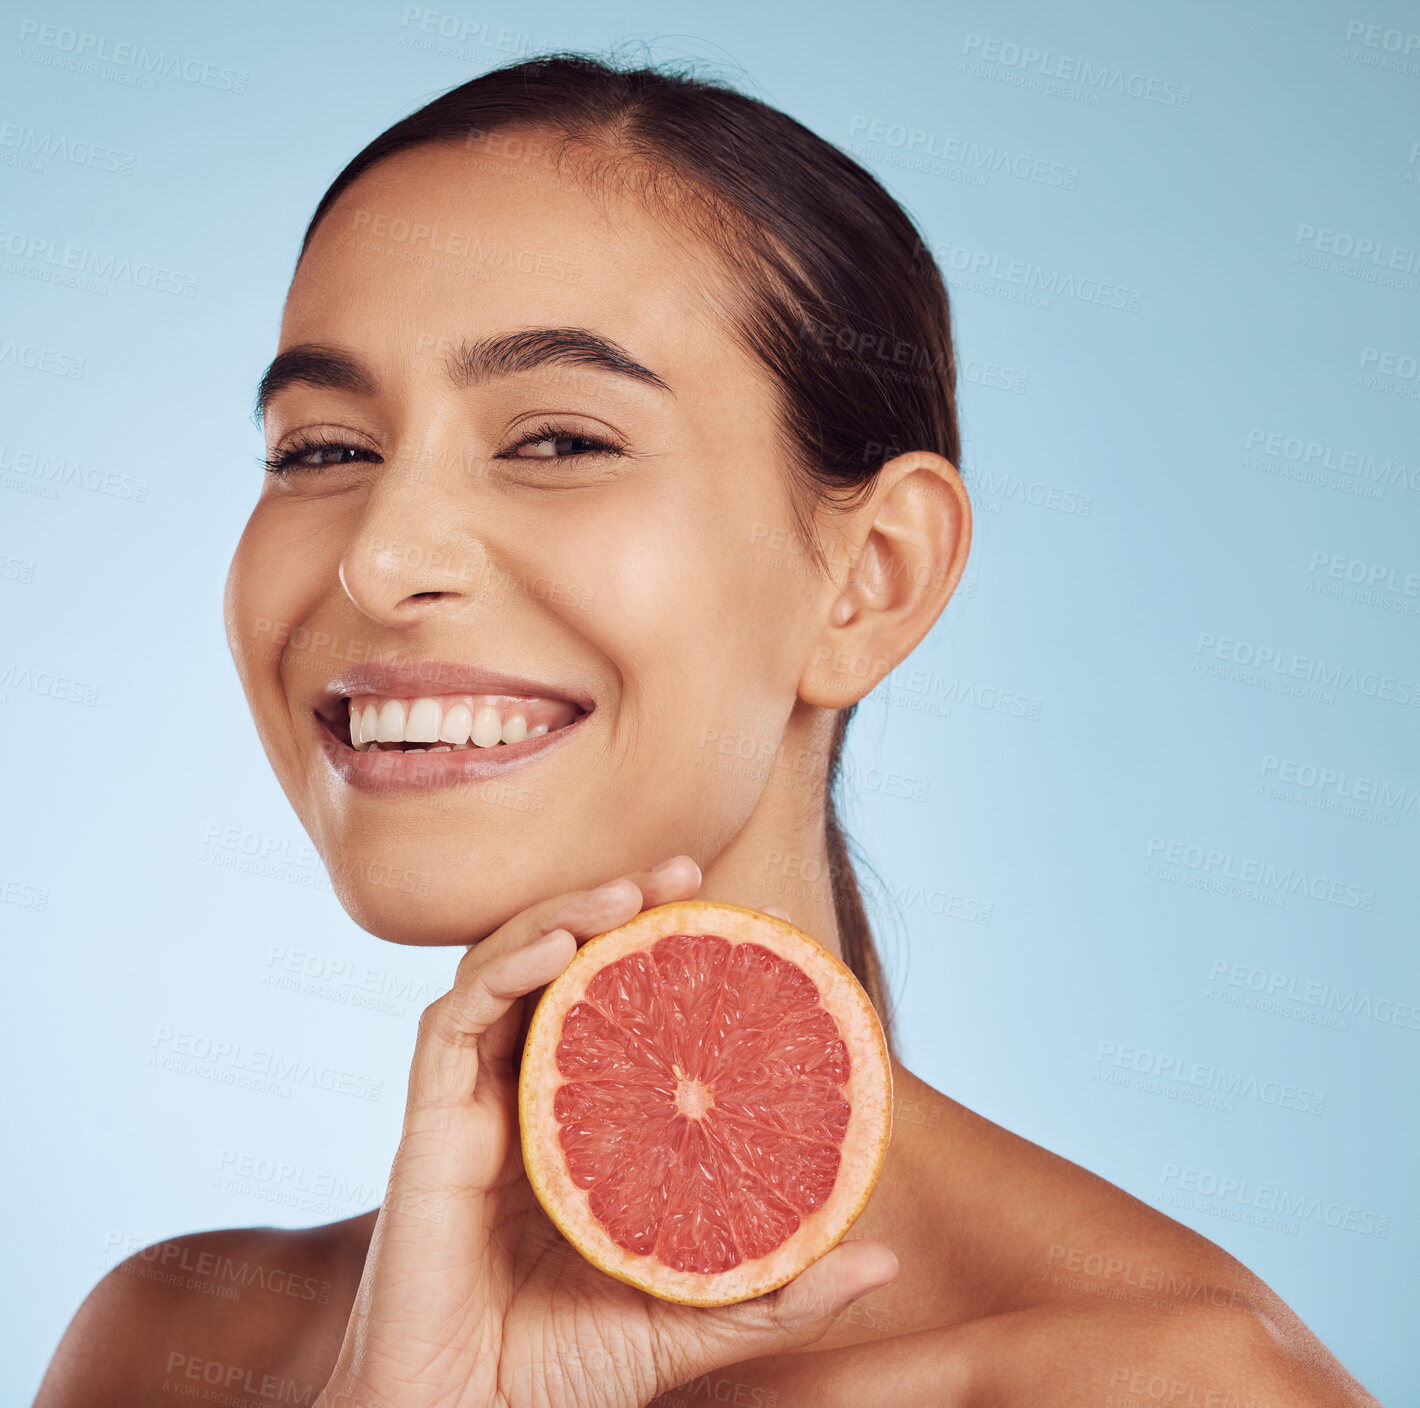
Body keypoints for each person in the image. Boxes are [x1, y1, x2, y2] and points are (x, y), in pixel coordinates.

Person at [34, 52, 1379, 1408]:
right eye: (322, 448)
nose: (381, 560)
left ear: (872, 578)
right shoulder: (169, 1350)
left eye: (558, 441)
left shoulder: (1156, 1382)